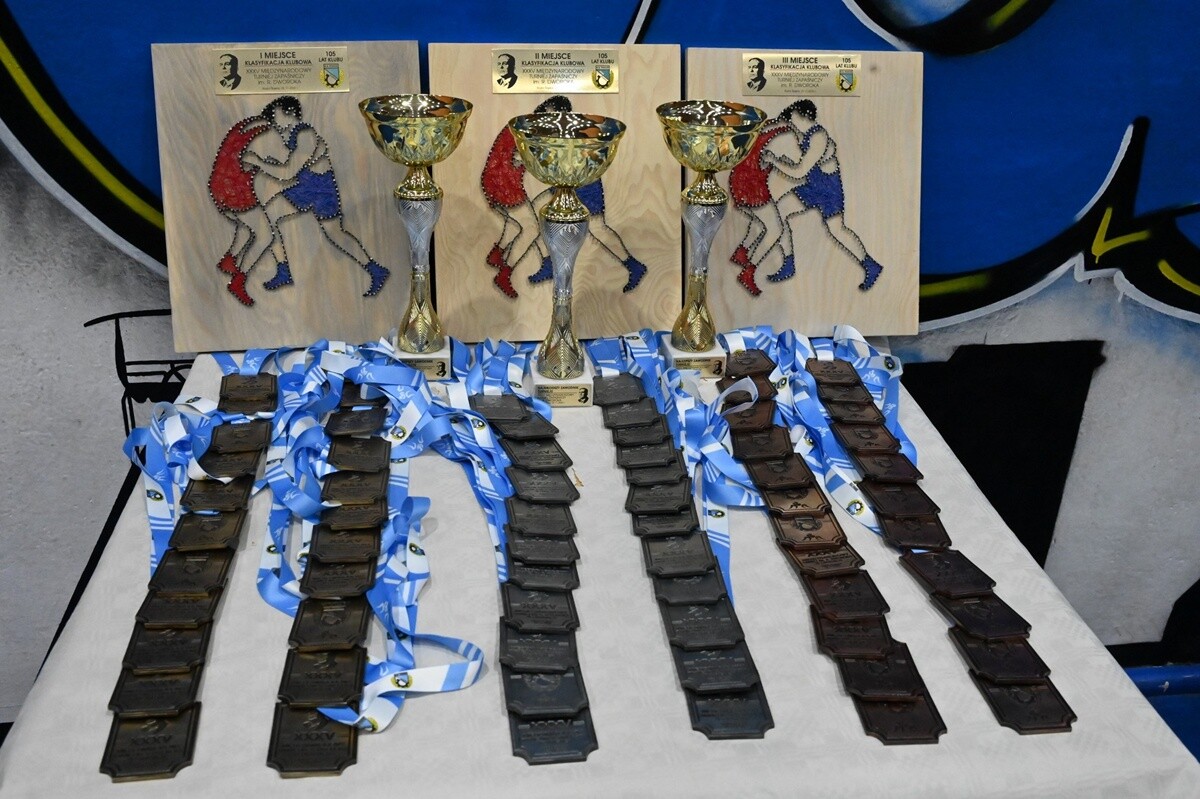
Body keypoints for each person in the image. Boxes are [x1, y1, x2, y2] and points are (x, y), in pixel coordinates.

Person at [209, 96, 388, 306]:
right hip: (305, 185)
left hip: (320, 190)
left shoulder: (305, 134)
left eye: (275, 116)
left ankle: (375, 270)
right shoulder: (292, 135)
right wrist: (268, 164)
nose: (273, 123)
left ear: (288, 112)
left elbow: (287, 173)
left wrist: (259, 163)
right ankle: (280, 270)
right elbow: (292, 167)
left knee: (335, 234)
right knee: (269, 219)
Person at [481, 95, 646, 297]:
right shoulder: (533, 128)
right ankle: (545, 263)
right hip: (559, 181)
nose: (551, 120)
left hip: (583, 182)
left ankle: (633, 265)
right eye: (549, 116)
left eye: (555, 117)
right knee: (537, 216)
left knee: (597, 227)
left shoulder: (555, 131)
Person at [730, 99, 883, 293]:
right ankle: (788, 263)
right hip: (812, 186)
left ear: (801, 116)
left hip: (828, 190)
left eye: (792, 119)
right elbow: (802, 168)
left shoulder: (818, 136)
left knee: (838, 230)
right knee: (780, 213)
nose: (791, 124)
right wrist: (784, 162)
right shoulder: (803, 134)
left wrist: (775, 161)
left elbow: (800, 171)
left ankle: (870, 265)